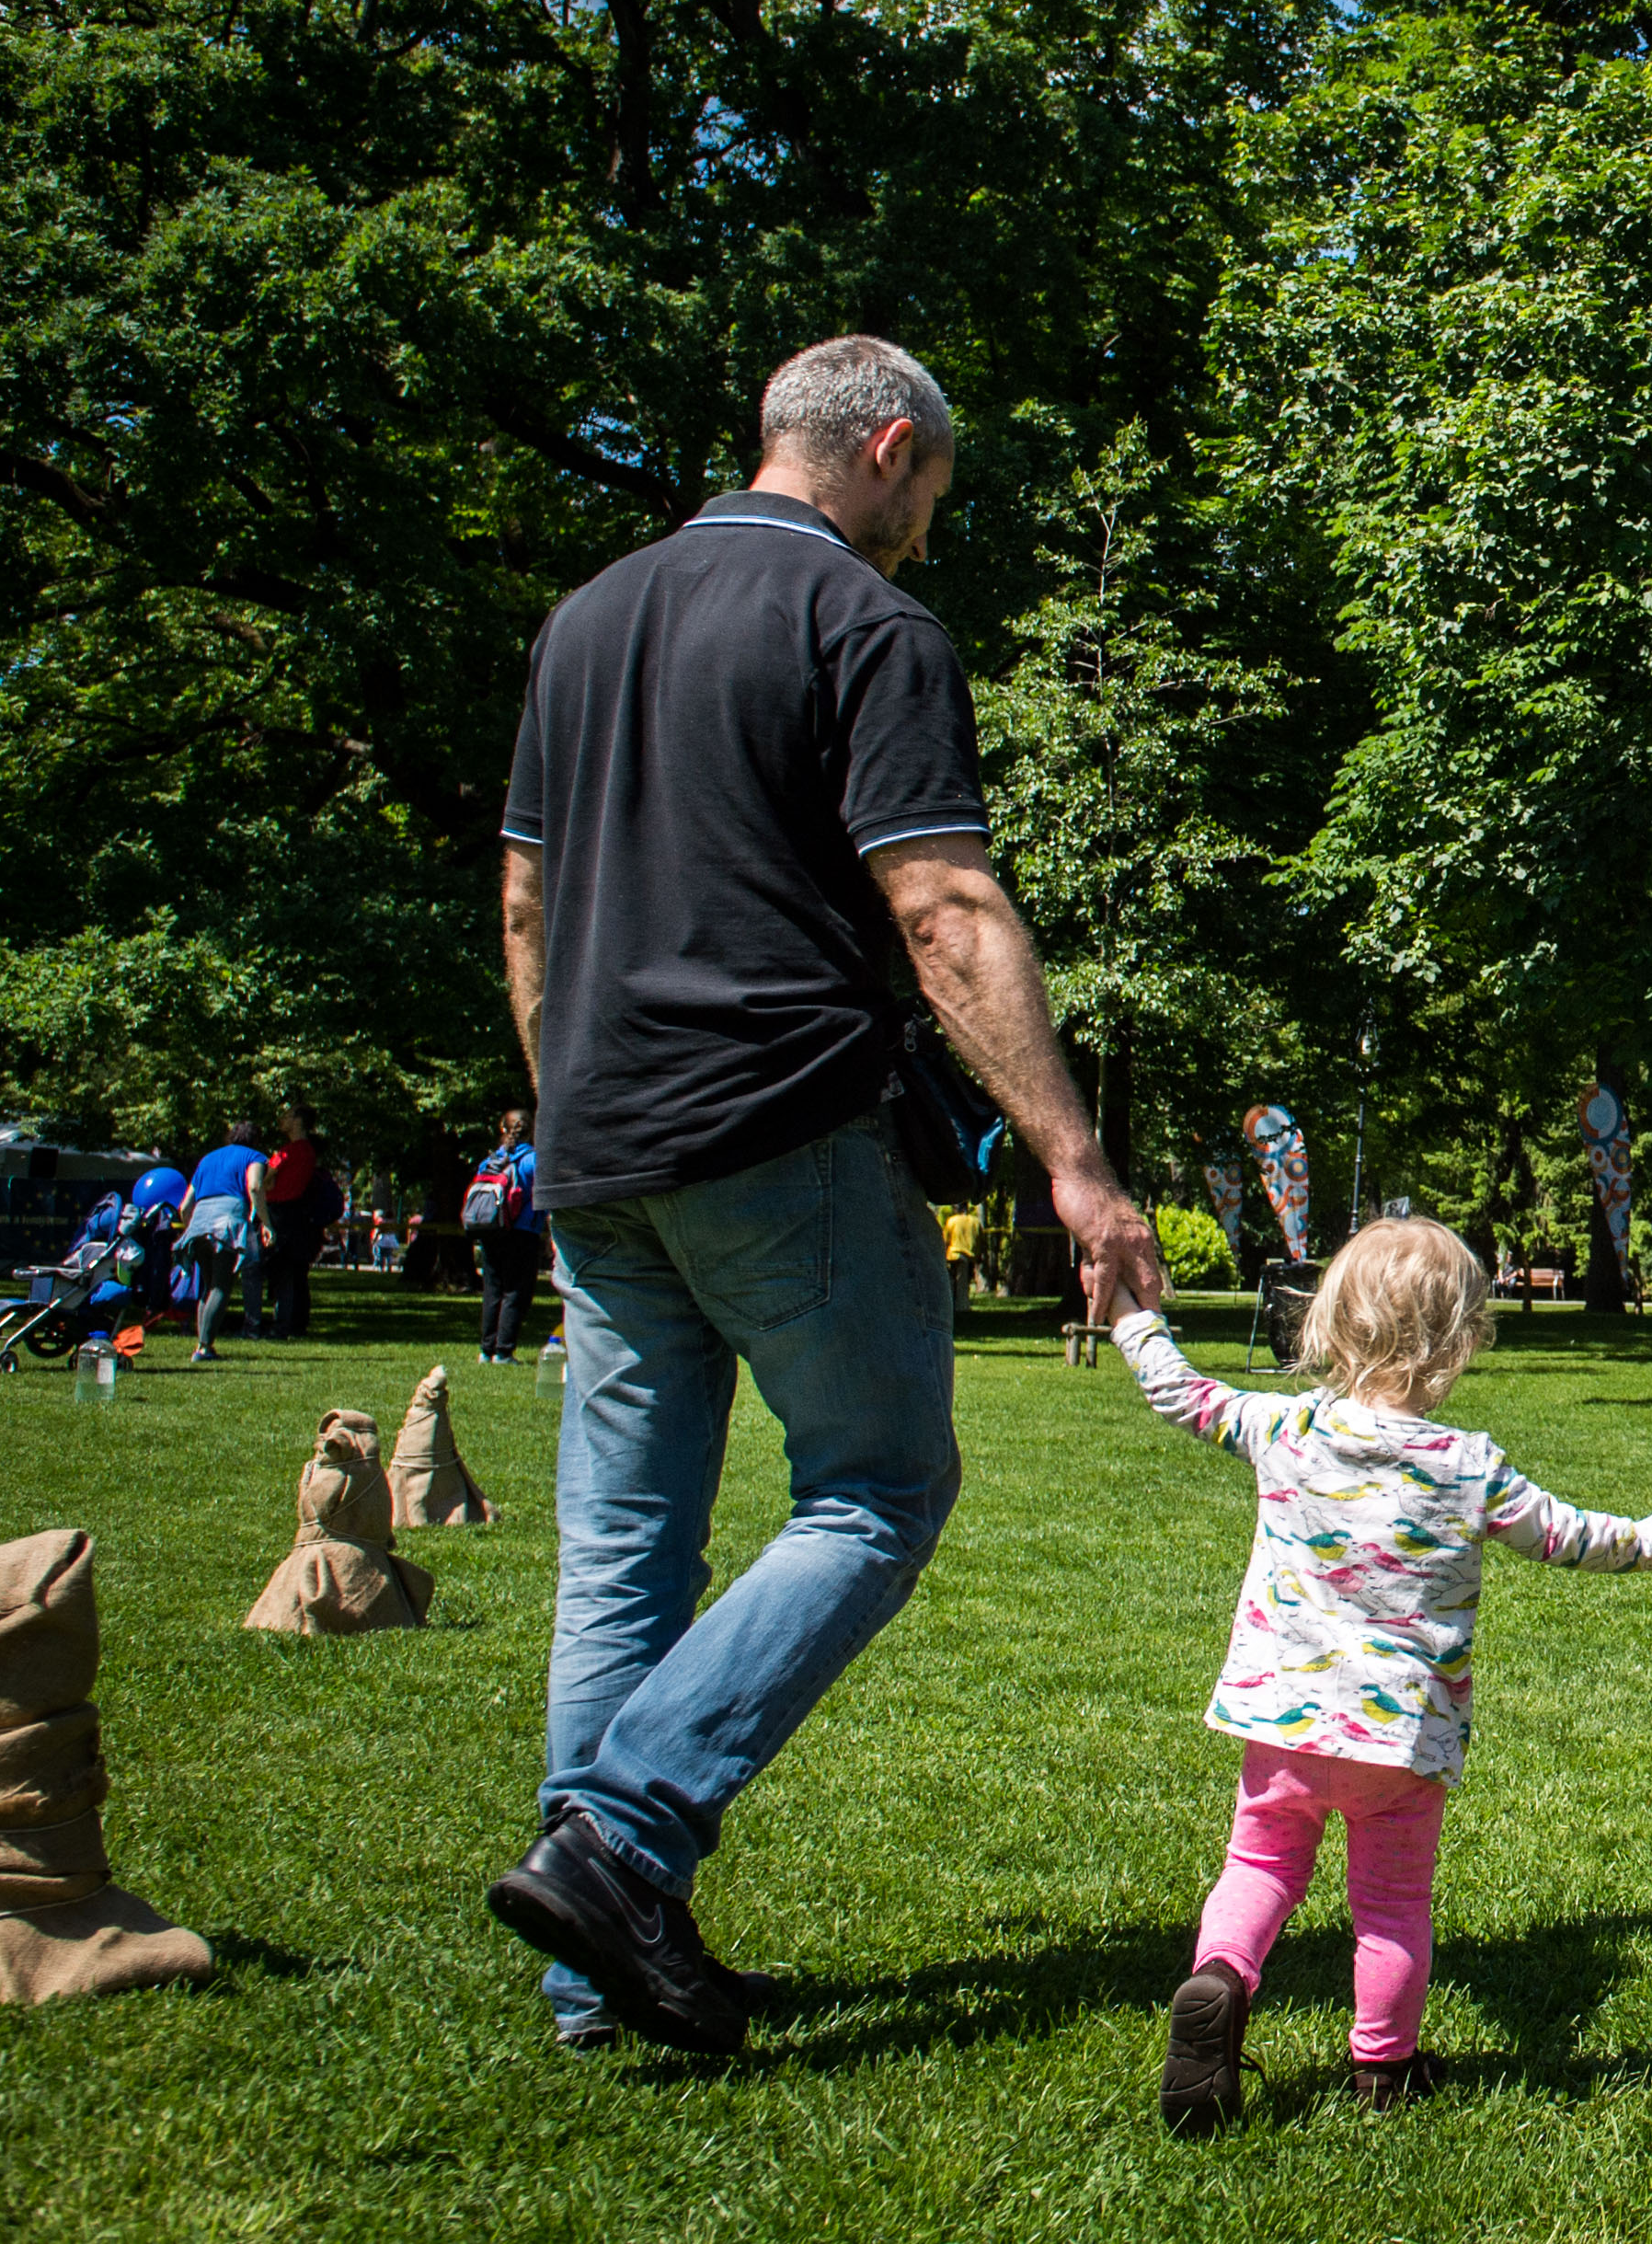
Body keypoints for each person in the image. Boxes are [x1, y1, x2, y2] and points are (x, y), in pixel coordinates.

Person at [480, 335, 1166, 2059]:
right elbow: (942, 905)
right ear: (883, 446)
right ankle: (625, 1839)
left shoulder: (585, 621)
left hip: (598, 1145)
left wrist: (572, 1105)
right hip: (777, 1126)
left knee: (624, 1546)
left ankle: (595, 1966)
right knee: (877, 1483)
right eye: (928, 491)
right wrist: (1078, 1164)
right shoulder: (863, 623)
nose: (926, 528)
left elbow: (521, 904)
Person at [1118, 1219, 1652, 2133]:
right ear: (1460, 1339)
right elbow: (1568, 1536)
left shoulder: (1280, 1425)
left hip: (1281, 1724)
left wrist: (1131, 1316)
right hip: (1399, 1742)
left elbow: (1178, 1392)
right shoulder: (1467, 1466)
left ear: (1328, 1321)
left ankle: (1217, 1981)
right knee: (1391, 1904)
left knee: (1260, 1865)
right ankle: (1382, 2070)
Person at [175, 1122, 271, 1363]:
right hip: (227, 1222)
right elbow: (255, 1186)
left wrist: (191, 1229)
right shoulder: (254, 1157)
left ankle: (202, 1344)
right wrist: (266, 1223)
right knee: (221, 1285)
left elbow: (185, 1205)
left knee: (207, 1287)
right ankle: (204, 1348)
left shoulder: (207, 1159)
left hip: (199, 1222)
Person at [468, 1110, 545, 1364]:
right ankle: (504, 1350)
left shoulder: (489, 1160)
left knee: (492, 1290)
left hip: (492, 1229)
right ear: (531, 1129)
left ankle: (486, 1349)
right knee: (515, 1291)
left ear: (503, 1128)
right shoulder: (534, 1161)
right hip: (523, 1232)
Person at [261, 1108, 331, 1339]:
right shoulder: (308, 1152)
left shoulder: (290, 1152)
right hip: (296, 1216)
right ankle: (295, 1322)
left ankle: (284, 1323)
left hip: (282, 1215)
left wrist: (270, 1181)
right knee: (295, 1273)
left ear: (299, 1121)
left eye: (288, 1116)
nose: (282, 1120)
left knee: (284, 1271)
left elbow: (267, 1179)